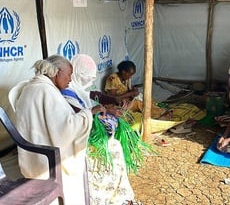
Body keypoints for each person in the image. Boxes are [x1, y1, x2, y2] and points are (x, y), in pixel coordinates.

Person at [8, 55, 106, 205]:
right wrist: (90, 112)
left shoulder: (32, 87)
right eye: (68, 75)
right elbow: (66, 128)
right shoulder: (47, 92)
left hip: (32, 157)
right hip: (46, 160)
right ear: (57, 72)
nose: (70, 80)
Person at [61, 54, 144, 205]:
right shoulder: (66, 92)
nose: (91, 81)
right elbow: (81, 116)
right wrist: (105, 112)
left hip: (81, 130)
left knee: (115, 143)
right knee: (113, 148)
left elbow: (94, 95)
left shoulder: (76, 89)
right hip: (75, 138)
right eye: (88, 78)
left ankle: (120, 194)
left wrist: (114, 102)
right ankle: (106, 195)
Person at [105, 60, 171, 119]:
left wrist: (133, 90)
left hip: (126, 101)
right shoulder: (113, 79)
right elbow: (112, 99)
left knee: (145, 98)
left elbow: (127, 89)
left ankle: (157, 111)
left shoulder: (125, 78)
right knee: (138, 103)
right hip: (117, 106)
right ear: (123, 72)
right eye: (130, 75)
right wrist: (131, 94)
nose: (130, 77)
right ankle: (160, 113)